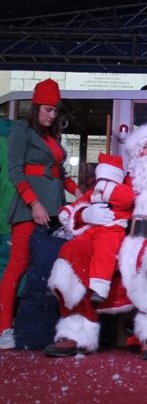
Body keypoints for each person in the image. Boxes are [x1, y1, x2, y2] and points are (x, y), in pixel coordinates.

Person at [45, 123, 147, 360]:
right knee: (75, 249)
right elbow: (90, 199)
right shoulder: (122, 180)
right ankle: (76, 331)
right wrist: (86, 214)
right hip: (116, 243)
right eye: (144, 147)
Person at [0, 79, 82, 350]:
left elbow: (59, 172)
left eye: (55, 110)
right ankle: (3, 328)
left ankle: (43, 326)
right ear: (35, 108)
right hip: (28, 209)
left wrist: (77, 190)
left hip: (54, 208)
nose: (51, 115)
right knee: (17, 267)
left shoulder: (52, 137)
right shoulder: (22, 130)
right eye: (47, 109)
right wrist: (33, 203)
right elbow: (15, 171)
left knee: (48, 268)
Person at [57, 153, 135, 302]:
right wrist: (68, 211)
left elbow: (126, 200)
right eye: (101, 179)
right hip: (91, 229)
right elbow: (80, 202)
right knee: (73, 245)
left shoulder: (122, 190)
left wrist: (105, 190)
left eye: (107, 179)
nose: (102, 183)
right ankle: (63, 284)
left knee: (105, 251)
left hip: (112, 228)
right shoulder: (92, 193)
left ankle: (99, 286)